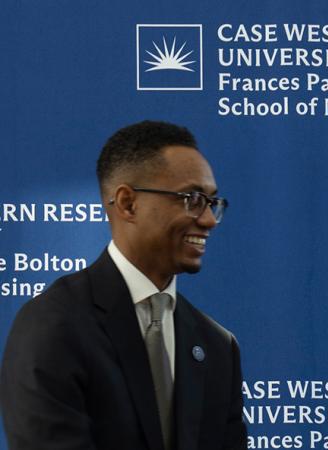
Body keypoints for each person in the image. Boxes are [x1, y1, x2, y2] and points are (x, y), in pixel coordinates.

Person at [0, 120, 247, 450]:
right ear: (128, 203)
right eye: (192, 199)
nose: (208, 220)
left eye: (212, 202)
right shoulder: (53, 325)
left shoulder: (218, 347)